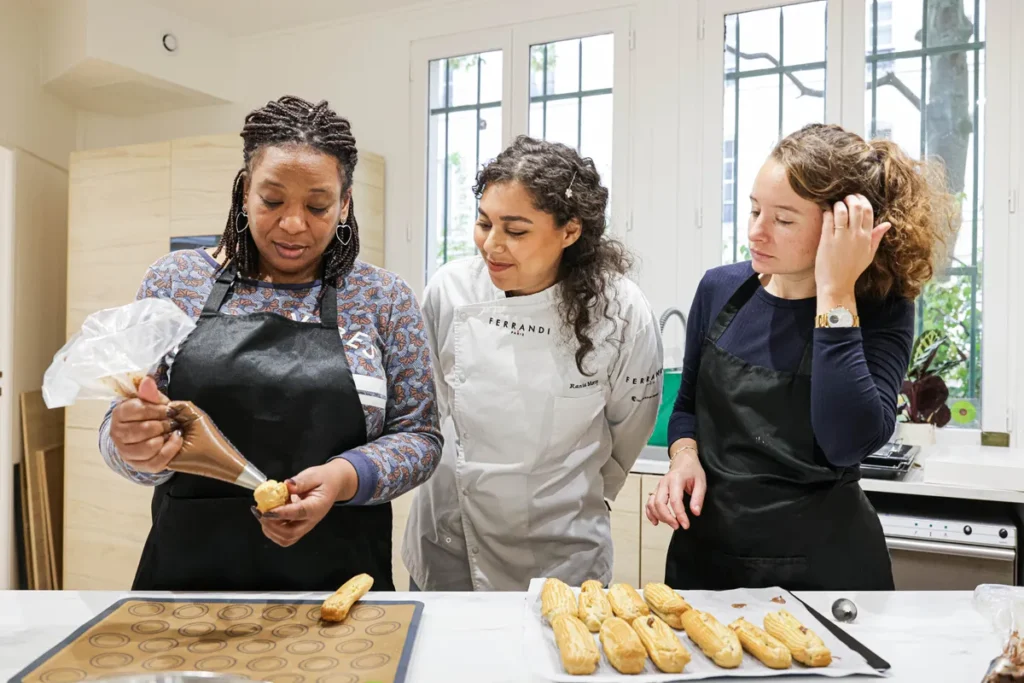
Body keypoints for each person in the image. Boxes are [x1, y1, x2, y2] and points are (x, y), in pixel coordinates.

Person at [98, 96, 443, 592]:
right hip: (188, 583)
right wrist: (132, 445)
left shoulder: (382, 298)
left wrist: (346, 476)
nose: (293, 224)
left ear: (345, 204)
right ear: (244, 193)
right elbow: (120, 425)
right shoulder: (174, 282)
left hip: (342, 582)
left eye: (318, 205)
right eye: (272, 200)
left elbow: (421, 436)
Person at [646, 123, 956, 591]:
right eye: (753, 210)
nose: (756, 232)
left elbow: (848, 441)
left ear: (842, 226)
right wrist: (683, 457)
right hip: (707, 561)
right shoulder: (719, 289)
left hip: (827, 573)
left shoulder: (881, 309)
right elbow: (687, 408)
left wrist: (835, 292)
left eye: (784, 219)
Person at [403, 136, 664, 591]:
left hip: (563, 548)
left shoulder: (620, 311)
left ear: (570, 230)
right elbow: (431, 408)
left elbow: (628, 432)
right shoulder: (451, 290)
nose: (492, 246)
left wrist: (581, 496)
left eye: (516, 230)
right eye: (484, 223)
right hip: (451, 538)